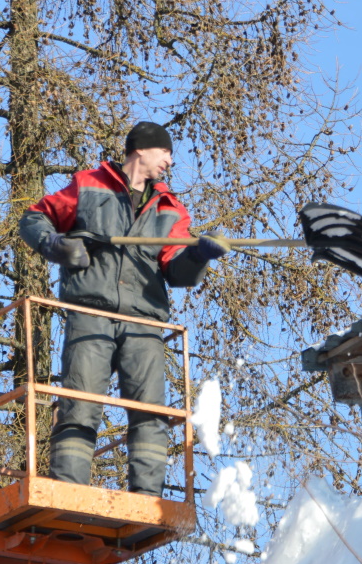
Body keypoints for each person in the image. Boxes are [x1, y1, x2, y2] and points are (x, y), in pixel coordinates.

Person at [19, 122, 228, 495]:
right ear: (141, 150)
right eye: (165, 151)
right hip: (90, 314)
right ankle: (70, 493)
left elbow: (176, 270)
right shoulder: (89, 187)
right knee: (80, 405)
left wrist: (197, 255)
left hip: (143, 322)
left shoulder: (171, 210)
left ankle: (148, 499)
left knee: (150, 413)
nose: (169, 159)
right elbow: (34, 218)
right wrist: (54, 244)